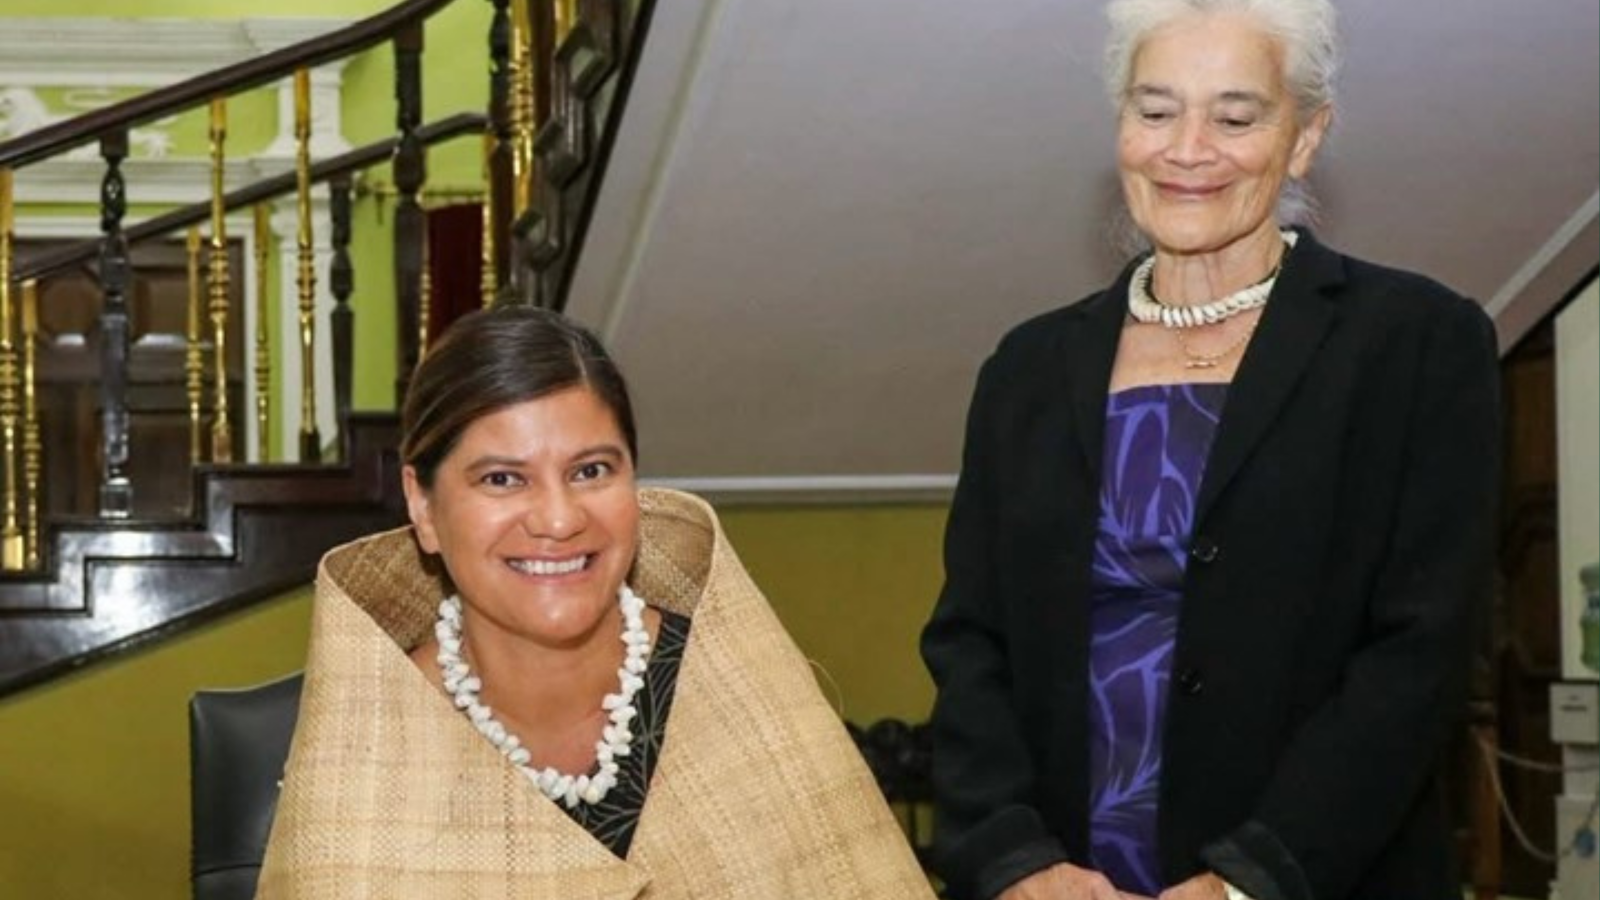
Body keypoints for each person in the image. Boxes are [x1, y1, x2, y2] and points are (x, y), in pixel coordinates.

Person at [920, 2, 1500, 899]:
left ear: (1305, 138)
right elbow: (970, 642)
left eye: (1235, 117)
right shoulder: (1027, 367)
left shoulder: (1418, 344)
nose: (1188, 149)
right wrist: (1012, 858)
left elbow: (1419, 655)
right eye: (1155, 111)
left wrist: (1251, 878)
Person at [257, 306, 934, 898]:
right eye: (502, 478)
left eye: (591, 471)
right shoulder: (371, 748)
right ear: (423, 505)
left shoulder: (737, 693)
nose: (558, 518)